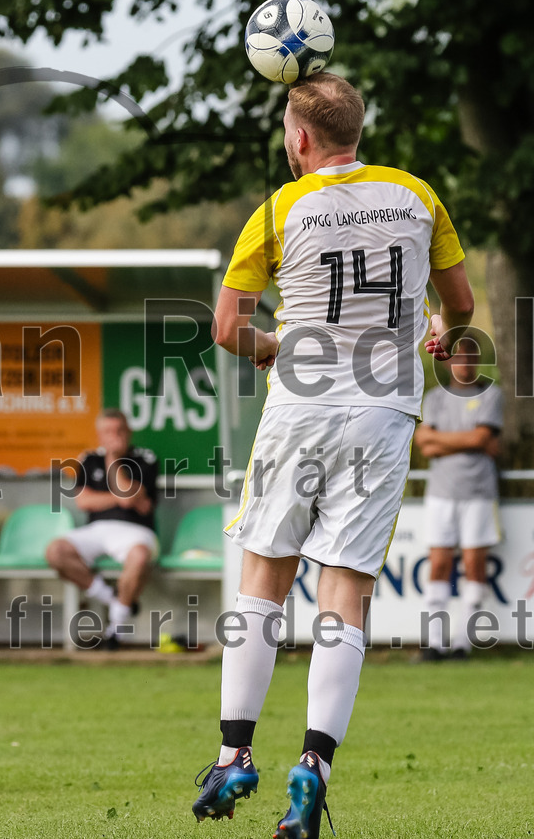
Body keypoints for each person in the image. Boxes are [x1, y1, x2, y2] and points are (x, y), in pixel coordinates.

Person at [192, 73, 474, 838]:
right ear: (360, 130)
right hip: (383, 413)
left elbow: (225, 329)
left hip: (301, 408)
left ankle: (233, 754)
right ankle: (313, 766)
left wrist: (273, 343)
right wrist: (447, 336)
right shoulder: (417, 195)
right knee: (344, 596)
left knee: (263, 581)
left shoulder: (280, 209)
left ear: (300, 139)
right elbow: (463, 304)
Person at [414, 337, 502, 660]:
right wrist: (470, 441)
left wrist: (441, 441)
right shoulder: (435, 398)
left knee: (473, 566)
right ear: (449, 362)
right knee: (438, 564)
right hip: (441, 492)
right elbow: (423, 443)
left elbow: (481, 437)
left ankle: (463, 643)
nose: (464, 364)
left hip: (478, 493)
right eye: (459, 358)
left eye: (470, 358)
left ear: (477, 362)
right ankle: (434, 643)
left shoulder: (491, 395)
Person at [45, 408, 158, 646]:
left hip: (135, 530)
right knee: (56, 551)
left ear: (129, 431)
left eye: (119, 431)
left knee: (139, 557)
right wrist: (121, 498)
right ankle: (112, 598)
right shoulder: (88, 459)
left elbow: (127, 494)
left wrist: (113, 461)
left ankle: (116, 627)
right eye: (107, 431)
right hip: (97, 529)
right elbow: (84, 501)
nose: (114, 436)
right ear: (99, 434)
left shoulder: (145, 458)